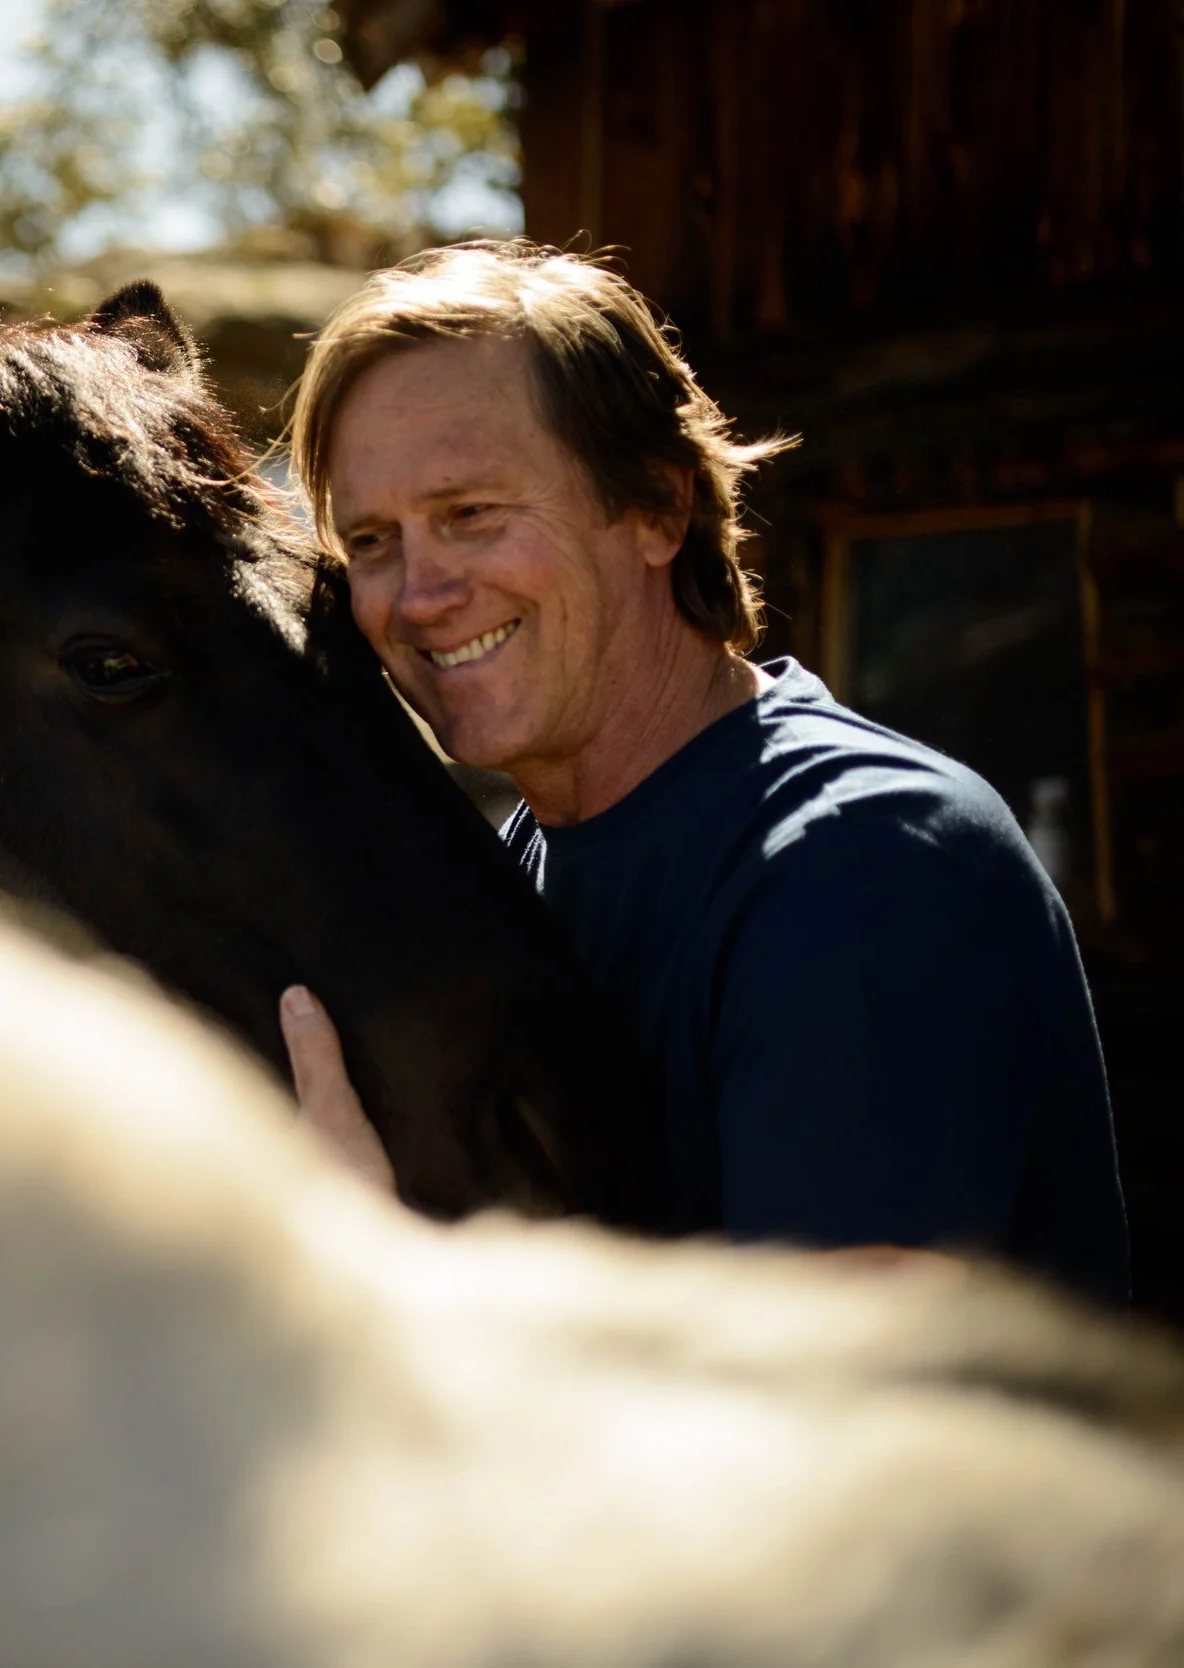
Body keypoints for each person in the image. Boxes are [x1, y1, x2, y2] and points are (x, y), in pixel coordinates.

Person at [274, 241, 1128, 1304]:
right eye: (370, 541)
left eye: (470, 514)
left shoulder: (856, 864)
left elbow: (822, 1432)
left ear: (656, 509)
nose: (416, 593)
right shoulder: (522, 871)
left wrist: (374, 1275)